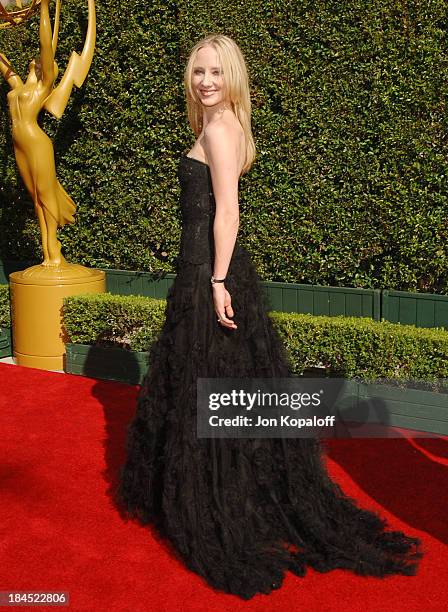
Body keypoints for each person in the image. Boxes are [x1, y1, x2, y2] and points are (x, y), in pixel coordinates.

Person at [117, 34, 423, 600]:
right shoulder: (224, 124)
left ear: (232, 77)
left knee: (206, 391)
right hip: (211, 270)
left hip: (209, 272)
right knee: (215, 392)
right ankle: (223, 493)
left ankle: (218, 505)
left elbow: (228, 212)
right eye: (198, 71)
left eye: (215, 71)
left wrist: (214, 281)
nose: (204, 80)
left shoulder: (217, 128)